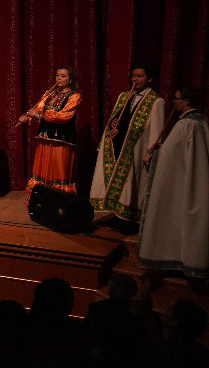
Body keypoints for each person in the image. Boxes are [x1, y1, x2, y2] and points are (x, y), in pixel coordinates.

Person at [137, 86, 208, 278]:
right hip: (195, 180)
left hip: (181, 182)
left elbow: (168, 158)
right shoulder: (202, 121)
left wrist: (153, 155)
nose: (174, 102)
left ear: (187, 101)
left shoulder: (184, 125)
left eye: (177, 99)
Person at [90, 66, 164, 226]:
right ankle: (114, 213)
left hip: (135, 149)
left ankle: (129, 218)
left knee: (131, 183)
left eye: (140, 76)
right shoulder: (124, 96)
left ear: (149, 79)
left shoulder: (156, 101)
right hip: (118, 145)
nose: (135, 79)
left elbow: (156, 130)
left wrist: (152, 151)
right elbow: (118, 118)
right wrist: (113, 124)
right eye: (133, 76)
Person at [19, 65, 82, 203]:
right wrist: (28, 117)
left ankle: (58, 202)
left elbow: (64, 116)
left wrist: (40, 115)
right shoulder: (49, 93)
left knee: (58, 170)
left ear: (71, 79)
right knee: (42, 169)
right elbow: (38, 109)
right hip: (45, 136)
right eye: (57, 75)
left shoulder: (75, 96)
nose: (59, 78)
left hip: (62, 139)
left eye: (63, 76)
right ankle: (41, 200)